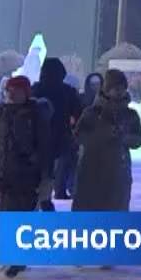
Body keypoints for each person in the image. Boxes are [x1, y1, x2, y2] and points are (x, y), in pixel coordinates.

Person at [0, 76, 49, 276]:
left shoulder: (34, 116)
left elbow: (44, 145)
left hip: (23, 176)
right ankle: (6, 256)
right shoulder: (2, 113)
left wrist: (38, 166)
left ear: (26, 93)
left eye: (16, 90)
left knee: (19, 216)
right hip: (1, 174)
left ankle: (19, 258)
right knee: (1, 214)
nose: (11, 94)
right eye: (9, 90)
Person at [73, 69, 141, 212]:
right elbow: (79, 136)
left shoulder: (130, 115)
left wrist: (124, 138)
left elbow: (139, 138)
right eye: (114, 88)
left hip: (118, 173)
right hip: (91, 171)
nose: (118, 91)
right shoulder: (92, 113)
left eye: (122, 88)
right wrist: (101, 136)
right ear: (106, 89)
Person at [33, 58, 81, 203]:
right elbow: (79, 112)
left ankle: (41, 197)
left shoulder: (35, 89)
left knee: (39, 170)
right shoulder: (68, 91)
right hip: (62, 136)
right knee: (65, 164)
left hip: (36, 137)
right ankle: (57, 192)